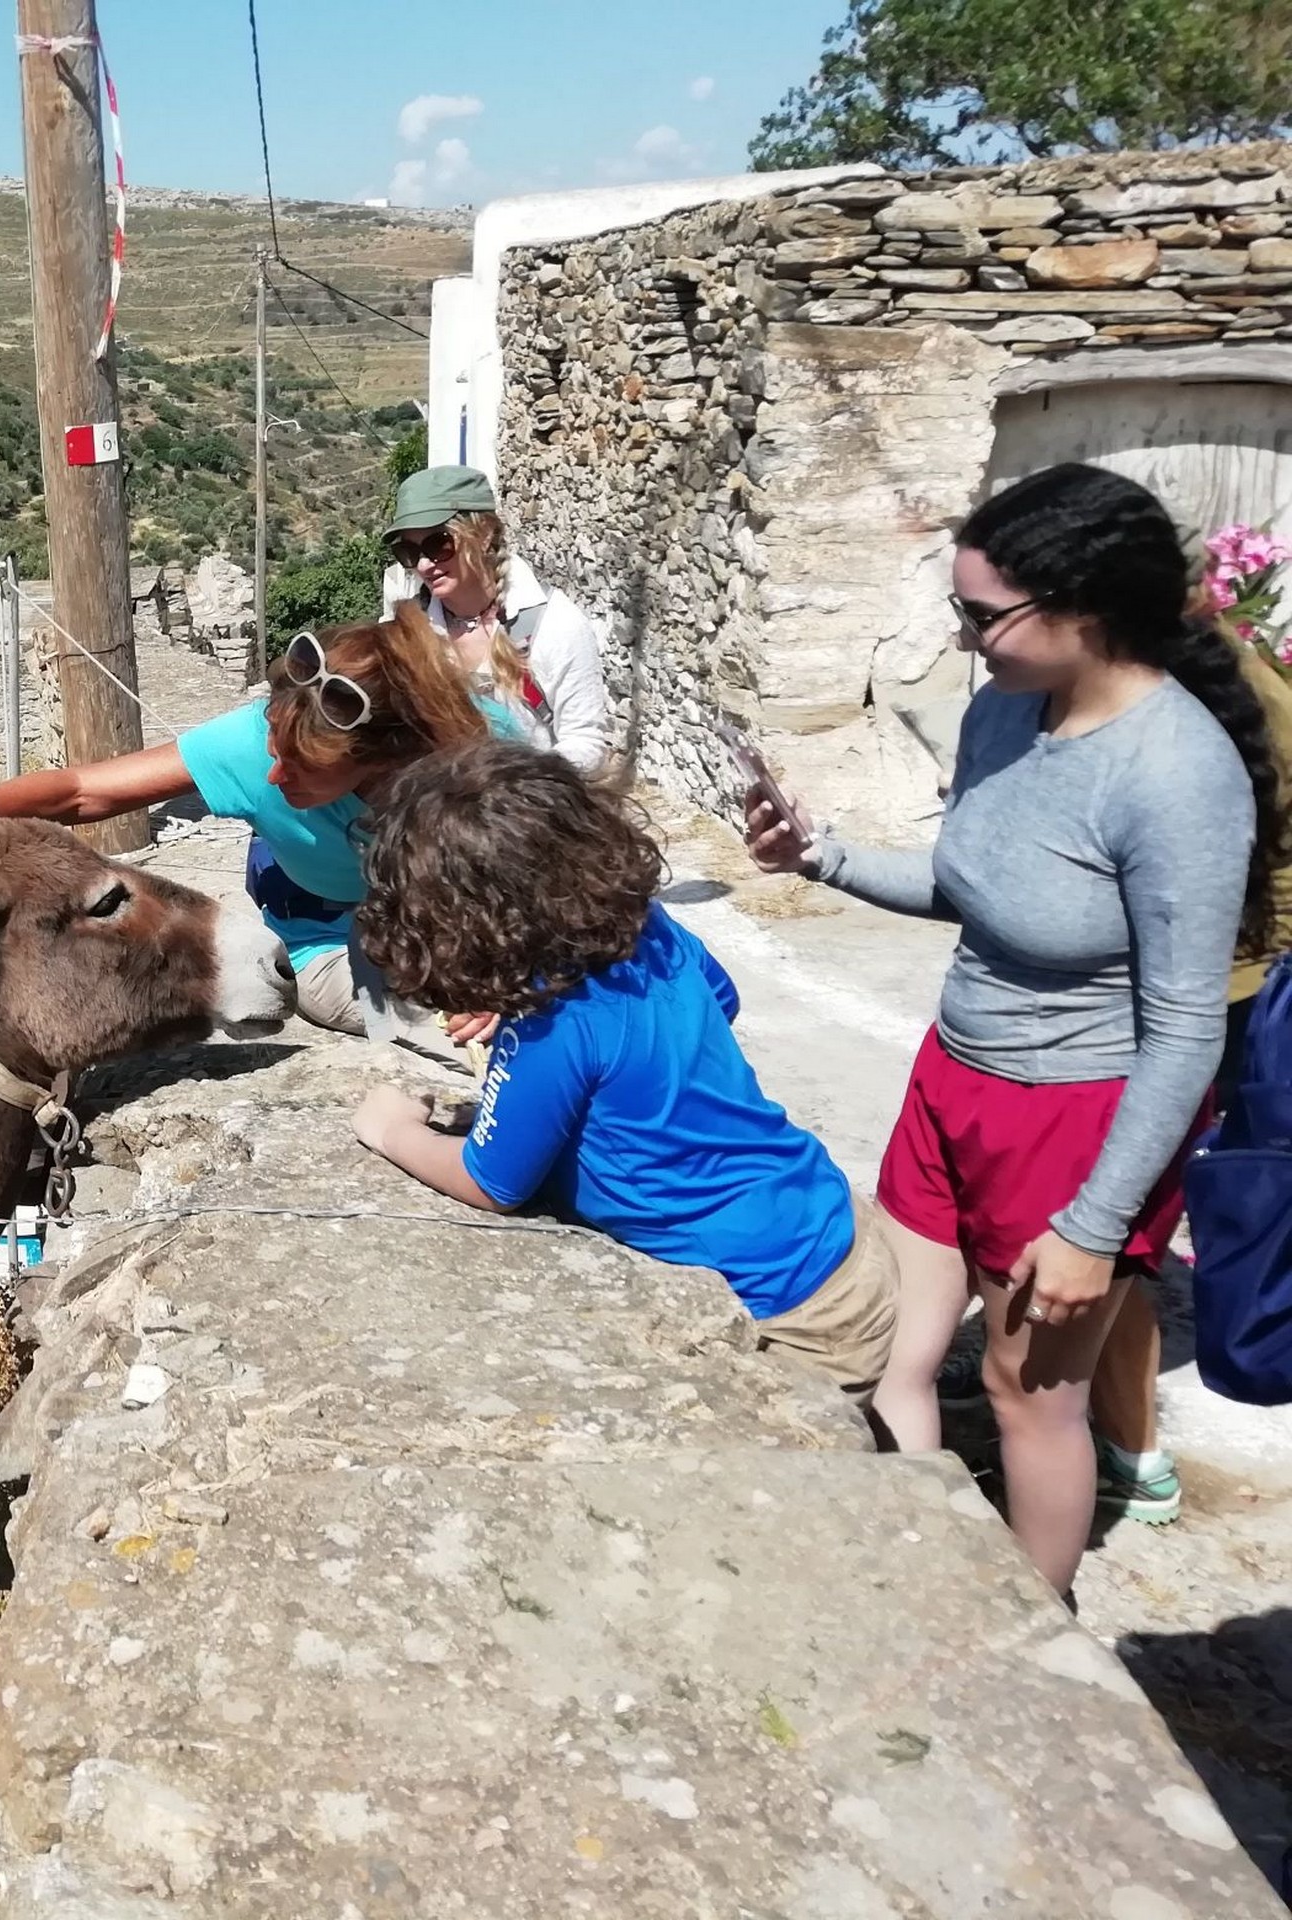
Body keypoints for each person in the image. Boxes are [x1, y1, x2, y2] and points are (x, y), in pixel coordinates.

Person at [744, 462, 1278, 1601]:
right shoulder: (1003, 712)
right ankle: (924, 1564)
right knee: (899, 1357)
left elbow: (1185, 1030)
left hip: (1073, 1123)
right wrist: (818, 858)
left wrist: (1093, 1230)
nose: (964, 639)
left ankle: (1033, 1624)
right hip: (955, 1080)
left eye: (982, 617)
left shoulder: (1177, 774)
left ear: (1080, 610)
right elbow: (972, 885)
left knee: (1025, 1398)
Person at [349, 739, 896, 1400]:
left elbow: (492, 1182)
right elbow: (721, 998)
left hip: (783, 1311)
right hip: (841, 1232)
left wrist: (392, 1130)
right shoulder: (644, 926)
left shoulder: (553, 1026)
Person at [0, 610, 519, 1040]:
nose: (273, 776)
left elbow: (545, 894)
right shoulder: (256, 742)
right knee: (439, 1024)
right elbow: (84, 791)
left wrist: (493, 977)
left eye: (301, 765)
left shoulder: (487, 761)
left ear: (387, 756)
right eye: (274, 748)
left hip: (460, 930)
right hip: (326, 939)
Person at [1089, 622, 1292, 1525]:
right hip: (1230, 984)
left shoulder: (1178, 711)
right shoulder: (1227, 683)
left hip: (1215, 990)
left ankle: (1134, 1454)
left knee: (1125, 1216)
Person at [379, 465, 614, 773]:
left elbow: (585, 742)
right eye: (409, 551)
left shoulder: (554, 624)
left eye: (438, 545)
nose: (423, 565)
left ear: (484, 533)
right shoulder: (409, 630)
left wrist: (516, 788)